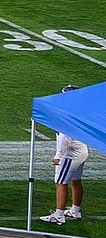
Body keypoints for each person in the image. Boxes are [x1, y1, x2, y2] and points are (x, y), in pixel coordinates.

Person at [42, 85, 88, 224]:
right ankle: (76, 210)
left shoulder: (66, 113)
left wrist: (58, 156)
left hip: (71, 154)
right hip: (82, 150)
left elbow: (64, 137)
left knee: (61, 183)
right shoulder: (81, 111)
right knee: (75, 181)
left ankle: (59, 214)